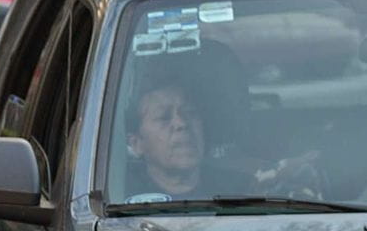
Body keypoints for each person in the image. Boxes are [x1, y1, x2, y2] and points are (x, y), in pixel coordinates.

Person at [124, 69, 324, 200]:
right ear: (136, 143)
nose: (181, 123)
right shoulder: (118, 199)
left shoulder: (242, 188)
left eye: (190, 113)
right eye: (163, 117)